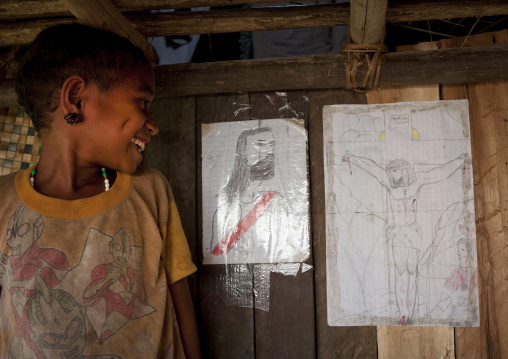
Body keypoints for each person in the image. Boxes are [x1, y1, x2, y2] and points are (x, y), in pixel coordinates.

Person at [0, 23, 200, 358]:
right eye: (142, 101)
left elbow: (182, 308)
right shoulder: (3, 202)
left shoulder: (149, 192)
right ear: (76, 99)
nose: (152, 123)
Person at [342, 150, 471, 325]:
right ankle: (403, 311)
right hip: (398, 233)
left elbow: (439, 173)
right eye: (391, 170)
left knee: (412, 271)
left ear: (404, 170)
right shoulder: (388, 185)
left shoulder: (417, 183)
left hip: (413, 233)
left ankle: (409, 311)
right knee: (400, 272)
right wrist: (352, 157)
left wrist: (458, 161)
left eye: (395, 169)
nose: (392, 173)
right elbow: (373, 168)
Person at [209, 127, 306, 264]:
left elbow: (290, 252)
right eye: (260, 144)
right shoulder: (223, 211)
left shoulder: (277, 203)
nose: (270, 151)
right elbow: (216, 260)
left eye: (271, 145)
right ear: (243, 154)